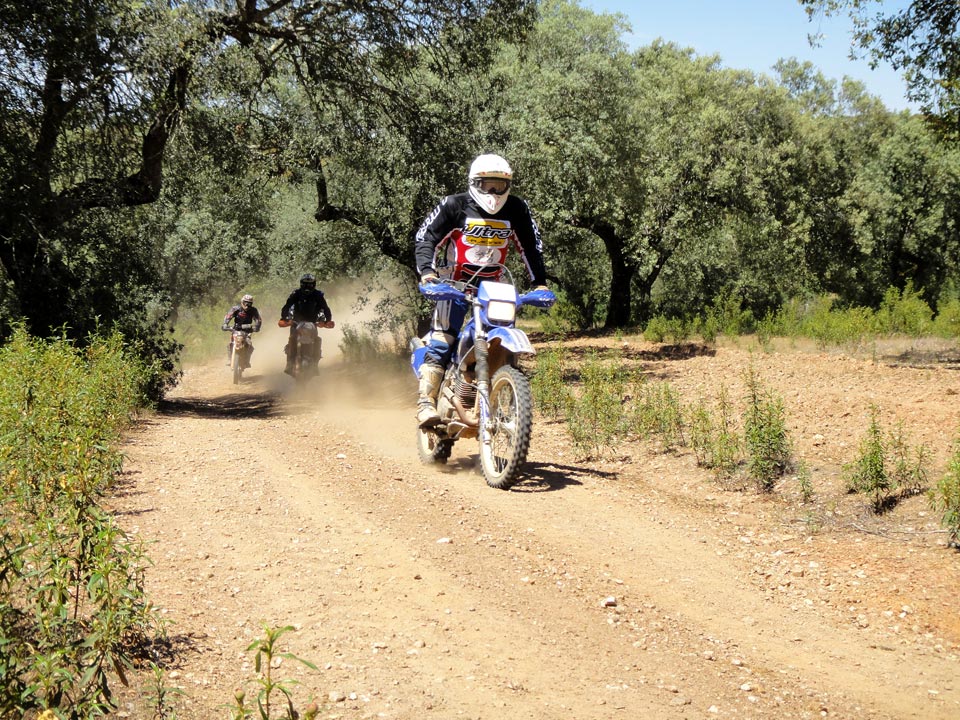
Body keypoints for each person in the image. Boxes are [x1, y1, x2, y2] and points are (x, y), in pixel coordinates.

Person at [413, 153, 548, 427]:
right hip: (453, 287)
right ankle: (426, 403)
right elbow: (426, 238)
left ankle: (501, 397)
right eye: (488, 184)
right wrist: (428, 273)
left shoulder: (517, 209)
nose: (494, 192)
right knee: (444, 340)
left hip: (493, 289)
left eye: (500, 185)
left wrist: (540, 283)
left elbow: (531, 247)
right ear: (475, 182)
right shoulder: (455, 205)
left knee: (501, 341)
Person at [280, 273, 334, 376]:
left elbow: (326, 308)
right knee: (292, 338)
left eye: (310, 284)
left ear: (314, 284)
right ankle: (290, 363)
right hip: (296, 322)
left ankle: (315, 364)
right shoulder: (296, 294)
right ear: (301, 284)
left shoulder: (318, 295)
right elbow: (286, 306)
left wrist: (328, 320)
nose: (307, 287)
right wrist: (284, 318)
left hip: (312, 323)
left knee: (317, 340)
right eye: (305, 284)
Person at [221, 293, 263, 368]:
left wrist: (257, 327)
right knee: (231, 343)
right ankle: (230, 359)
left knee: (249, 344)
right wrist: (225, 324)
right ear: (242, 302)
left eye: (249, 304)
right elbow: (229, 316)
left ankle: (247, 361)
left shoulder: (253, 310)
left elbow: (258, 319)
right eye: (245, 303)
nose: (247, 305)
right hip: (236, 329)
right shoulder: (236, 309)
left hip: (247, 330)